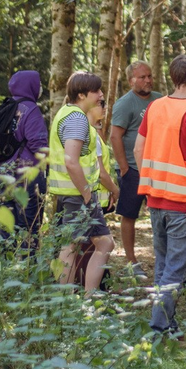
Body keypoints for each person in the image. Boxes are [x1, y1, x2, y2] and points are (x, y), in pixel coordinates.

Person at [134, 55, 186, 338]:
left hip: (156, 201)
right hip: (183, 205)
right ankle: (158, 328)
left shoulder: (154, 107)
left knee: (163, 267)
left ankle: (169, 323)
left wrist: (152, 180)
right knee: (175, 271)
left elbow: (138, 151)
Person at [48, 72, 118, 291]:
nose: (100, 95)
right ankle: (85, 301)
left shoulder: (65, 113)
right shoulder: (77, 118)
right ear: (81, 94)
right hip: (78, 194)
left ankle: (69, 303)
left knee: (72, 245)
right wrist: (87, 194)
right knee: (101, 243)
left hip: (71, 193)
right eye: (96, 91)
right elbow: (71, 161)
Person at [110, 61, 162, 280]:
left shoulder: (160, 100)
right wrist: (124, 169)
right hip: (132, 169)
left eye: (149, 76)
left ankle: (163, 258)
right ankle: (131, 261)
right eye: (142, 77)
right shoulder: (125, 104)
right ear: (131, 80)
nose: (148, 80)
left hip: (158, 168)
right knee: (129, 215)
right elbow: (115, 136)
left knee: (161, 214)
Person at [0, 70, 50, 251]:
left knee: (6, 226)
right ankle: (28, 271)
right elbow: (38, 145)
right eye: (38, 83)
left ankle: (4, 269)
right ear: (31, 86)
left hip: (2, 174)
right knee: (29, 227)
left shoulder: (4, 108)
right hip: (26, 177)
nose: (40, 87)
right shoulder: (31, 110)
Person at [87, 99, 119, 213]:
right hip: (91, 201)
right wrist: (115, 190)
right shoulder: (90, 133)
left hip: (98, 200)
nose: (105, 107)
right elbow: (100, 172)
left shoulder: (94, 131)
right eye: (101, 103)